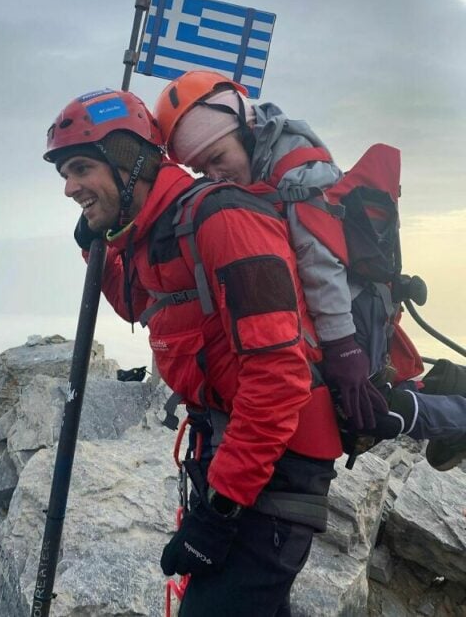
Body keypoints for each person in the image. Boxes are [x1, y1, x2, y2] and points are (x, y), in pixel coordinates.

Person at [44, 88, 343, 616]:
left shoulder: (223, 219)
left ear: (129, 160)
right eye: (65, 174)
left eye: (82, 168)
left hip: (278, 469)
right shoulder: (156, 234)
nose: (69, 188)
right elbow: (144, 307)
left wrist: (221, 509)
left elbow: (279, 376)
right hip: (232, 453)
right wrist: (98, 249)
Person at [152, 70, 466, 471]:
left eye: (218, 158)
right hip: (328, 318)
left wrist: (343, 349)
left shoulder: (297, 172)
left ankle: (455, 414)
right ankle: (444, 394)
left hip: (346, 320)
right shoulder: (266, 167)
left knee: (372, 415)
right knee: (364, 409)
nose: (214, 176)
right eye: (201, 169)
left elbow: (320, 262)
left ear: (247, 131)